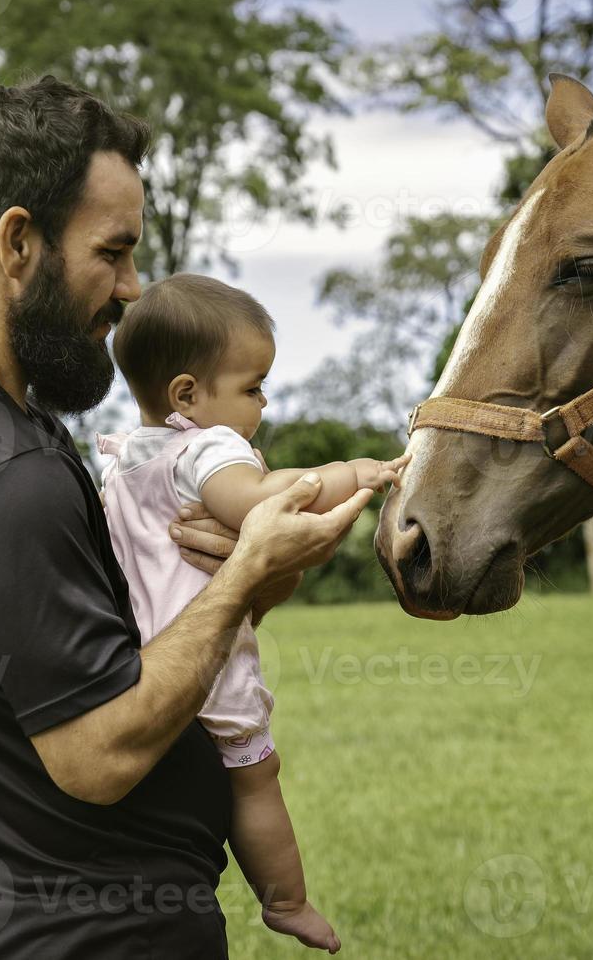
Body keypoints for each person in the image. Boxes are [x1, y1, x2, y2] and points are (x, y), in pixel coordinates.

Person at [0, 76, 374, 958]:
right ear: (17, 242)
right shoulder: (2, 468)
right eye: (113, 251)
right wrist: (247, 570)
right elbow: (97, 751)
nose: (134, 289)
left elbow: (108, 650)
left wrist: (244, 586)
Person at [98, 273, 408, 954]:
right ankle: (287, 901)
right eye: (252, 386)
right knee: (255, 778)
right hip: (207, 662)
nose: (263, 405)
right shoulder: (207, 446)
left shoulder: (121, 463)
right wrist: (354, 472)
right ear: (188, 395)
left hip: (138, 661)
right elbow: (264, 503)